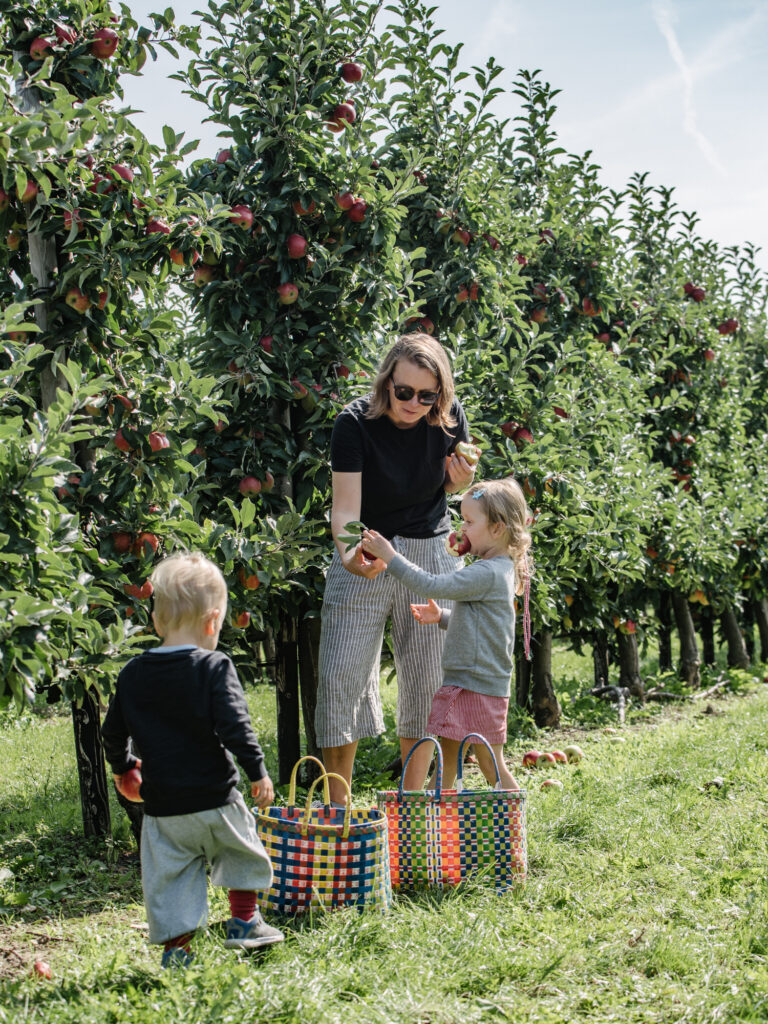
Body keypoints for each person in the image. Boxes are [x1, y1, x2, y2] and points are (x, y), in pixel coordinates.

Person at [316, 333, 478, 803]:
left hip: (428, 551)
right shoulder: (354, 423)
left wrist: (460, 480)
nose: (414, 403)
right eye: (404, 391)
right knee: (339, 675)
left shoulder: (448, 419)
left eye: (427, 395)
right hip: (365, 545)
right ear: (387, 382)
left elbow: (448, 489)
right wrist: (351, 555)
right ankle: (338, 809)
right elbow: (345, 509)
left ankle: (412, 805)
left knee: (427, 679)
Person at [101, 551, 283, 969]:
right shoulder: (214, 666)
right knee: (242, 851)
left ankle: (178, 950)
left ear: (156, 622)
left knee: (171, 876)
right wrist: (257, 771)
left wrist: (124, 767)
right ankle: (243, 922)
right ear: (212, 621)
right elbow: (235, 726)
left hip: (164, 808)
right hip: (216, 798)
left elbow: (112, 732)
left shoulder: (132, 673)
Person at [360, 477, 532, 791]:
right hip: (467, 681)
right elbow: (480, 627)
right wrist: (442, 617)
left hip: (477, 685)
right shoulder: (496, 569)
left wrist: (390, 556)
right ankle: (438, 814)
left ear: (497, 528)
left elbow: (431, 585)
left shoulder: (486, 572)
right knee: (448, 755)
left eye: (468, 521)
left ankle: (512, 823)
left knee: (490, 764)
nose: (461, 529)